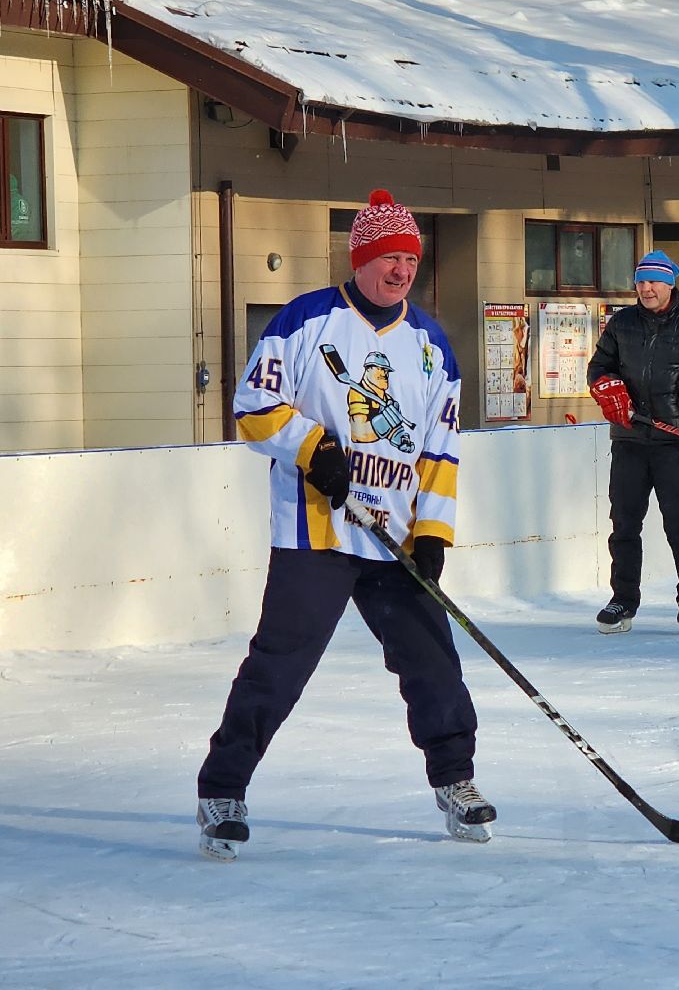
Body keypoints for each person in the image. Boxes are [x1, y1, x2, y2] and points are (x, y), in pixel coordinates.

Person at [194, 189, 493, 861]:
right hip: (316, 535)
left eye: (409, 260)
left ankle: (456, 781)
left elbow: (440, 453)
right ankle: (223, 790)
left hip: (394, 535)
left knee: (433, 665)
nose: (400, 271)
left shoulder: (432, 346)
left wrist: (435, 532)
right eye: (388, 257)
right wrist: (313, 449)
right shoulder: (306, 321)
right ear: (359, 259)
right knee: (279, 666)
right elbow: (252, 406)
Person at [586, 250, 679, 635]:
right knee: (624, 523)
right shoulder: (622, 324)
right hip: (630, 439)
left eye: (653, 281)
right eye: (640, 281)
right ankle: (623, 600)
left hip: (674, 440)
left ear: (670, 283)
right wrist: (604, 384)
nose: (646, 288)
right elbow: (599, 366)